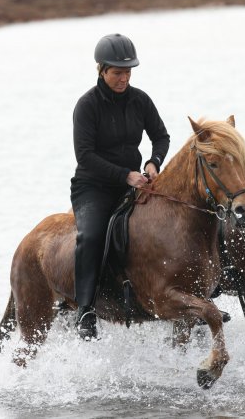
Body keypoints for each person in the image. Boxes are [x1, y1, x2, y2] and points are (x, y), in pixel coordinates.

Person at [70, 33, 170, 340]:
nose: (123, 78)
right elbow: (84, 156)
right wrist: (125, 175)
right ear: (101, 70)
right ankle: (85, 310)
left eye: (128, 72)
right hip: (93, 187)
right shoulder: (86, 106)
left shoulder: (140, 100)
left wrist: (153, 163)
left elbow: (161, 136)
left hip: (134, 182)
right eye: (117, 72)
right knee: (91, 235)